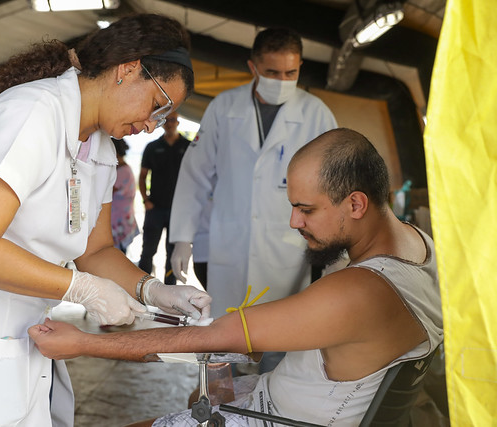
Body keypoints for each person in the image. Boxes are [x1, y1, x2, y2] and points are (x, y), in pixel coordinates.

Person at [0, 14, 211, 427]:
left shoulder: (101, 147)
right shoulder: (31, 113)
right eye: (157, 107)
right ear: (128, 69)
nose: (151, 125)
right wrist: (80, 288)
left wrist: (151, 290)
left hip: (20, 336)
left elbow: (96, 250)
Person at [29, 128, 444, 426]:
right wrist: (155, 290)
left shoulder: (360, 291)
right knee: (206, 393)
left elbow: (211, 339)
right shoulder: (419, 247)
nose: (293, 221)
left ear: (356, 203)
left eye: (307, 209)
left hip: (278, 418)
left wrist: (81, 343)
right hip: (285, 400)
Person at [169, 27, 337, 319]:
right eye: (272, 72)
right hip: (230, 242)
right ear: (253, 67)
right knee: (228, 334)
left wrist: (336, 248)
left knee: (284, 335)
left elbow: (336, 185)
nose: (282, 81)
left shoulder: (317, 114)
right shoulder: (223, 107)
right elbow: (195, 174)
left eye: (290, 73)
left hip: (288, 247)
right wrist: (183, 237)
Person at [138, 111, 190, 284]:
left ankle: (170, 295)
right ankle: (141, 289)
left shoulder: (188, 146)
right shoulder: (152, 147)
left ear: (178, 122)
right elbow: (143, 176)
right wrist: (146, 200)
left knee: (173, 254)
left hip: (179, 211)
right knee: (148, 251)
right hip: (156, 208)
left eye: (173, 120)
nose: (170, 123)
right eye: (166, 120)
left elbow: (197, 177)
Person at [111, 138, 140, 254]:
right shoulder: (122, 169)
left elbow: (108, 190)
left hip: (119, 219)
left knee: (117, 255)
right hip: (120, 218)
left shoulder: (122, 171)